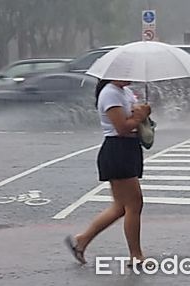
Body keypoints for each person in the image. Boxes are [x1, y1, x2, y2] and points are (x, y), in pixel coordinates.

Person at [65, 79, 151, 266]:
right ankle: (135, 255)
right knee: (134, 204)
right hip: (117, 150)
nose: (130, 75)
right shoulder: (110, 93)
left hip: (129, 149)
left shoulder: (125, 91)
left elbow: (133, 121)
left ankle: (82, 240)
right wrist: (139, 116)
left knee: (121, 207)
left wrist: (143, 115)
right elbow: (121, 128)